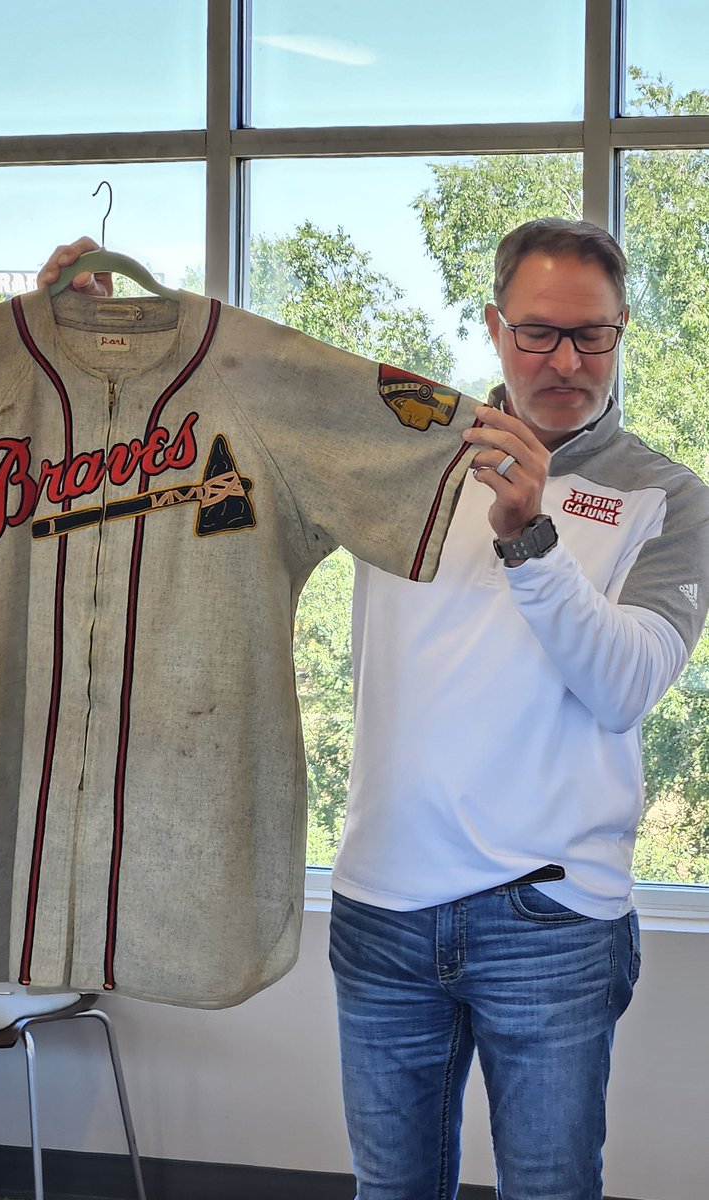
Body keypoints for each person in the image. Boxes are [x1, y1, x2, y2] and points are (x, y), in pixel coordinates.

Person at [37, 220, 709, 1200]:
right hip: (386, 912)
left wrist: (529, 538)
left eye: (592, 335)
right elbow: (220, 446)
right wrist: (111, 353)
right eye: (537, 333)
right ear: (492, 326)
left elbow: (626, 684)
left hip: (554, 923)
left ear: (620, 333)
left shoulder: (666, 497)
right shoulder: (400, 448)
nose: (566, 360)